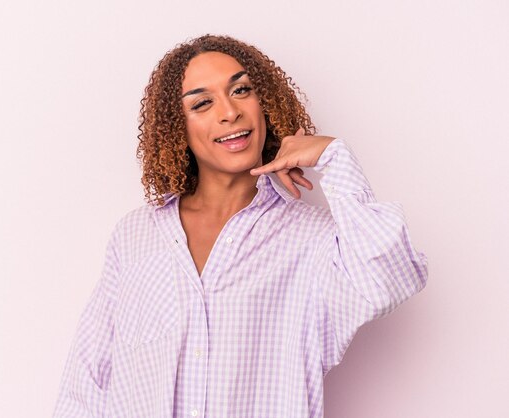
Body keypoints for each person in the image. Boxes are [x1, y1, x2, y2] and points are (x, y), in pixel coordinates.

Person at [52, 34, 428, 418]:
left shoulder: (314, 240)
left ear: (265, 103)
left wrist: (334, 157)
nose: (230, 112)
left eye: (242, 89)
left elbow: (389, 279)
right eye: (202, 103)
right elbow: (86, 385)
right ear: (175, 127)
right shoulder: (136, 236)